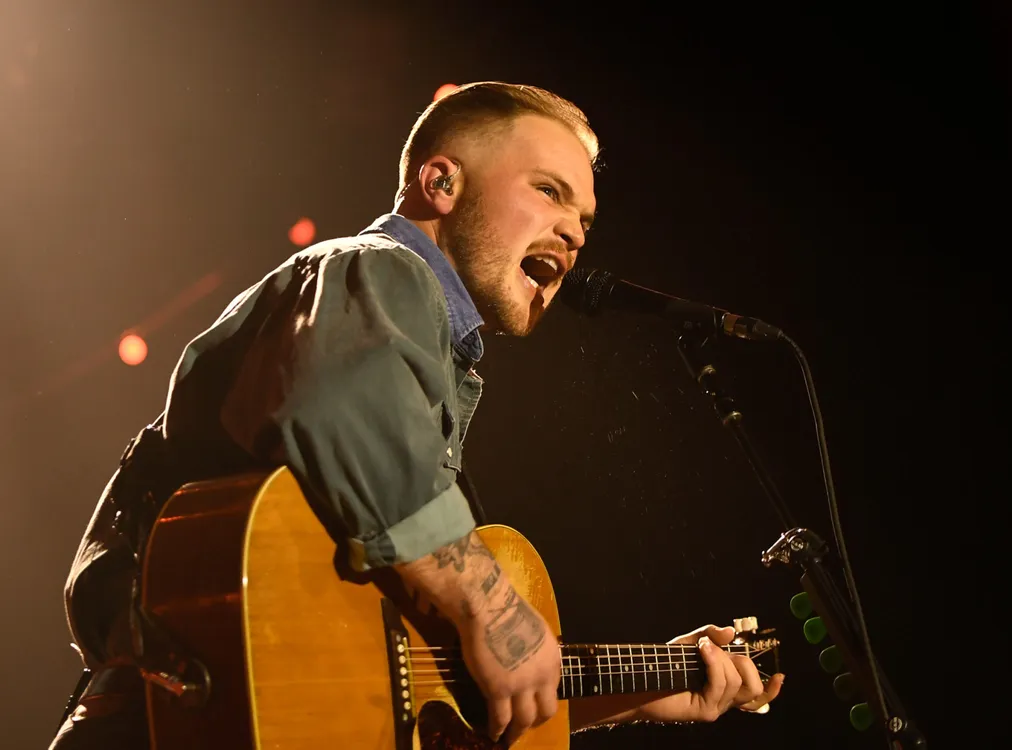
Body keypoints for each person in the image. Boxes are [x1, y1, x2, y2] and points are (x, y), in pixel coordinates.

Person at [51, 81, 784, 749]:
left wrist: (644, 686)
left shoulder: (430, 365)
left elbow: (401, 692)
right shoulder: (377, 269)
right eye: (550, 191)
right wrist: (491, 606)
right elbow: (340, 404)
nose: (576, 232)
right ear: (440, 181)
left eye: (586, 217)